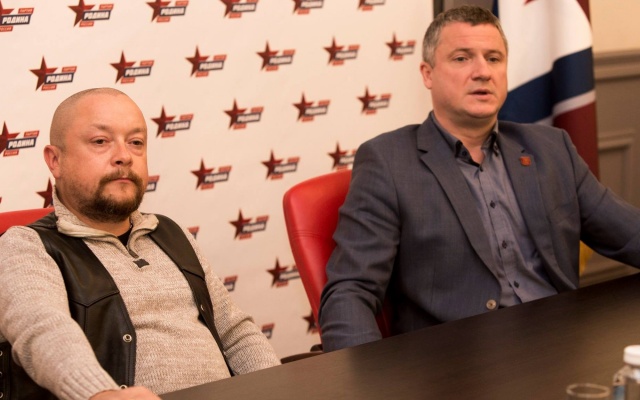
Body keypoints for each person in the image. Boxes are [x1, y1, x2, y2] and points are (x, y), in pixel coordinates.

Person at [318, 5, 640, 352]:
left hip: (562, 345)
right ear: (428, 73)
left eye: (494, 58)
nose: (483, 72)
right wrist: (367, 379)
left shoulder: (551, 147)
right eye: (462, 58)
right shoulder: (388, 162)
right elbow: (350, 290)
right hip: (455, 362)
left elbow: (628, 232)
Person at [0, 88, 280, 399]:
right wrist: (100, 394)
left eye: (136, 142)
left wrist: (276, 387)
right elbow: (44, 332)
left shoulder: (171, 233)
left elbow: (235, 332)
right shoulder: (26, 246)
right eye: (100, 141)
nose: (124, 156)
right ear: (56, 160)